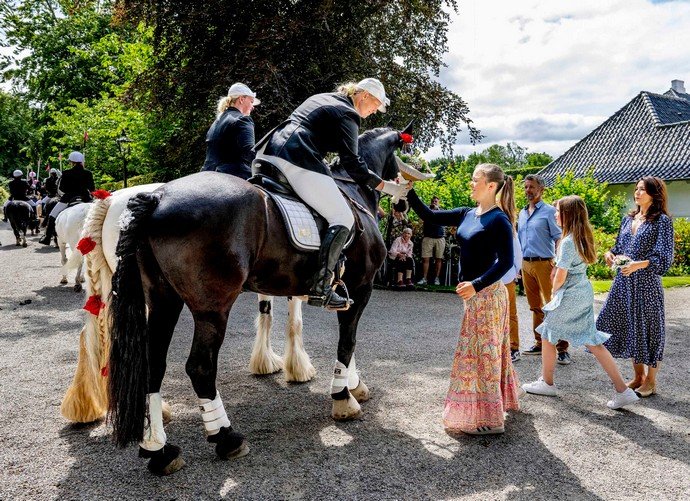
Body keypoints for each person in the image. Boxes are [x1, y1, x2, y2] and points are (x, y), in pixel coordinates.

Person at [254, 78, 407, 311]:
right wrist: (385, 187)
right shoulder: (349, 114)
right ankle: (322, 287)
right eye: (375, 104)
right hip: (296, 158)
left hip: (267, 153)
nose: (375, 110)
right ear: (364, 95)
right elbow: (353, 164)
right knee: (342, 217)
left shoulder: (323, 98)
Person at [408, 163, 520, 435]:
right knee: (485, 352)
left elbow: (506, 262)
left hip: (489, 296)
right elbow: (429, 215)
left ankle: (491, 421)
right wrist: (408, 191)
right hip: (473, 296)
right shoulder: (467, 214)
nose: (471, 184)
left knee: (483, 355)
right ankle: (495, 406)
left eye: (475, 180)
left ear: (491, 186)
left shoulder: (499, 220)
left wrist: (477, 284)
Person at [522, 196, 639, 410]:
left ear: (568, 214)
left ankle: (547, 383)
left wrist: (554, 292)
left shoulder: (567, 242)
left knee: (548, 334)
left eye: (558, 211)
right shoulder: (581, 237)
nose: (555, 214)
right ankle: (623, 390)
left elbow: (560, 275)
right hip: (582, 292)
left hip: (570, 295)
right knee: (592, 341)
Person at [597, 177, 674, 398]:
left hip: (646, 284)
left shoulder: (662, 221)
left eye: (643, 189)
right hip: (623, 282)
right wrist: (609, 254)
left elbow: (664, 258)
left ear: (654, 194)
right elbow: (618, 247)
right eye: (637, 189)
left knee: (650, 329)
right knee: (631, 327)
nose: (637, 193)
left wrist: (637, 265)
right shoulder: (627, 219)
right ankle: (638, 376)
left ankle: (651, 380)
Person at [518, 174, 571, 364]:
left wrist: (557, 264)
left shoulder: (549, 211)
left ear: (541, 189)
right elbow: (519, 240)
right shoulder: (522, 213)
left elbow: (559, 238)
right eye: (526, 187)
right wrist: (518, 264)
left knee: (554, 305)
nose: (528, 191)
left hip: (545, 263)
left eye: (531, 187)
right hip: (526, 263)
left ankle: (562, 348)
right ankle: (539, 342)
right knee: (535, 307)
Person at [201, 82, 259, 179]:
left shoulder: (216, 122)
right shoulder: (243, 120)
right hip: (233, 176)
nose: (252, 107)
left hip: (206, 174)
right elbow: (249, 152)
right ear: (241, 99)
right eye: (251, 102)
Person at [39, 151, 94, 245]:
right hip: (85, 198)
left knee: (52, 215)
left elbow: (62, 188)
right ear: (81, 161)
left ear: (71, 162)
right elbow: (92, 188)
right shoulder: (88, 173)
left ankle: (47, 237)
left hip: (68, 198)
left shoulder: (66, 173)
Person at [499, 189, 522, 363]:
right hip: (494, 276)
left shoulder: (506, 222)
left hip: (505, 276)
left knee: (510, 313)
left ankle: (513, 347)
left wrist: (514, 272)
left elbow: (517, 252)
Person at [416, 196, 445, 286]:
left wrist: (437, 210)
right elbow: (420, 221)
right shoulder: (427, 210)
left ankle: (437, 279)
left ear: (438, 202)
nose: (434, 202)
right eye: (433, 201)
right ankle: (424, 279)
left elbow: (445, 221)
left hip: (440, 238)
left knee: (439, 259)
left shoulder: (442, 211)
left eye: (436, 201)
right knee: (425, 259)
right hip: (428, 237)